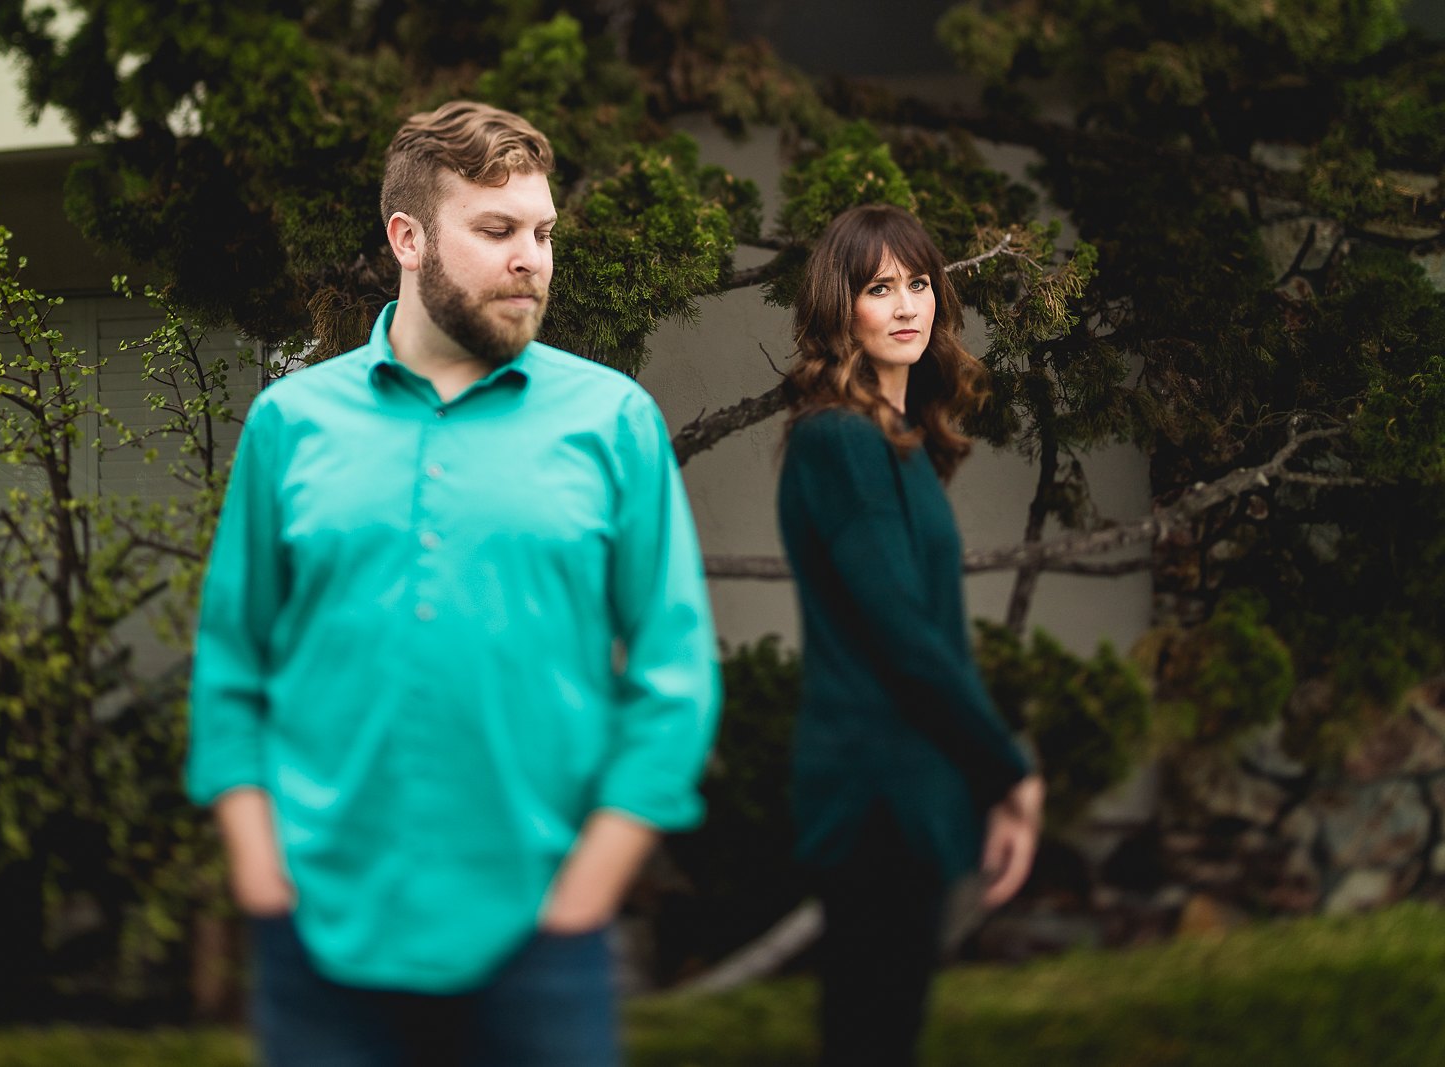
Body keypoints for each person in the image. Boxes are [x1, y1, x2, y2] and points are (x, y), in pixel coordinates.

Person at [186, 100, 721, 1067]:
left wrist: (584, 898)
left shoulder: (615, 424)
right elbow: (232, 660)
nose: (534, 258)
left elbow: (674, 675)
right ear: (409, 237)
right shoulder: (289, 425)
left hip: (543, 946)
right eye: (497, 229)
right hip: (322, 942)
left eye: (544, 231)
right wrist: (262, 874)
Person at [777, 203, 1045, 1066]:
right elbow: (903, 633)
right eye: (878, 287)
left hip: (908, 796)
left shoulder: (897, 441)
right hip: (874, 802)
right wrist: (1009, 770)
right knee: (870, 1040)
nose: (907, 305)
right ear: (839, 308)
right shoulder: (840, 441)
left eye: (920, 283)